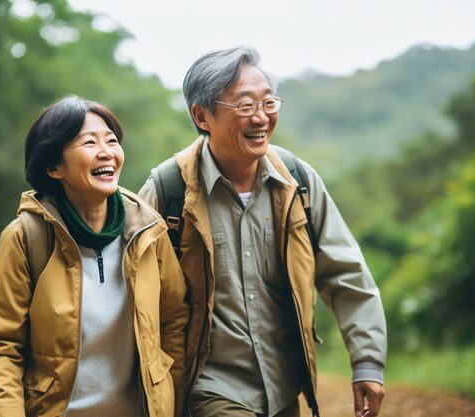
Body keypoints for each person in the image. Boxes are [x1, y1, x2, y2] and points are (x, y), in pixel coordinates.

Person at [139, 47, 387, 417]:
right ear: (201, 116)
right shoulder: (168, 190)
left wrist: (367, 361)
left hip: (283, 385)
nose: (261, 117)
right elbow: (131, 295)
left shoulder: (296, 180)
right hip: (206, 385)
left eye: (269, 102)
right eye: (244, 105)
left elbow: (346, 272)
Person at [0, 95, 189, 417]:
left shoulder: (148, 231)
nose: (106, 152)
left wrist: (166, 400)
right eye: (89, 142)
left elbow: (174, 322)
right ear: (53, 167)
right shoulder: (25, 237)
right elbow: (3, 348)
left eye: (112, 141)